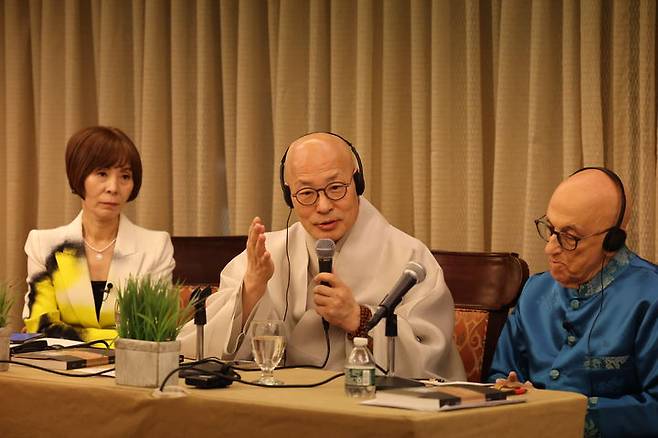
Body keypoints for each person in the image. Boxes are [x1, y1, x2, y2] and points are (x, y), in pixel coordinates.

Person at [179, 132, 465, 380]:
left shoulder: (409, 257)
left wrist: (359, 319)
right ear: (289, 196)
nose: (324, 205)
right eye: (306, 193)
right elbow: (199, 350)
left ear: (357, 182)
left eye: (336, 188)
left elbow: (432, 361)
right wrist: (251, 291)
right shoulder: (267, 254)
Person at [488, 167, 658, 437]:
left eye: (569, 237)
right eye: (550, 229)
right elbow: (497, 377)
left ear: (612, 241)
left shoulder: (650, 296)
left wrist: (564, 411)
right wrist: (506, 391)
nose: (550, 248)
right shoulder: (534, 291)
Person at [23, 126, 175, 345]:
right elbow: (40, 327)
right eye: (102, 174)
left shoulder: (156, 246)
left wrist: (74, 335)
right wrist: (115, 338)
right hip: (59, 372)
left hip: (130, 371)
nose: (113, 188)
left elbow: (153, 332)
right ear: (79, 176)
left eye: (125, 176)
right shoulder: (44, 245)